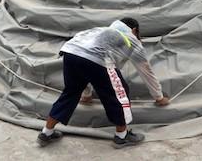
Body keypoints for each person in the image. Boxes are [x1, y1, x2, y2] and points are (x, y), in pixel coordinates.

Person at [38, 18, 170, 149]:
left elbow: (84, 62)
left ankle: (46, 132)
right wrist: (159, 97)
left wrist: (87, 94)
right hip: (96, 60)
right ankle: (122, 136)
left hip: (70, 52)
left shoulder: (98, 30)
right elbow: (146, 71)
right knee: (119, 93)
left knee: (70, 92)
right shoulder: (132, 39)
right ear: (134, 30)